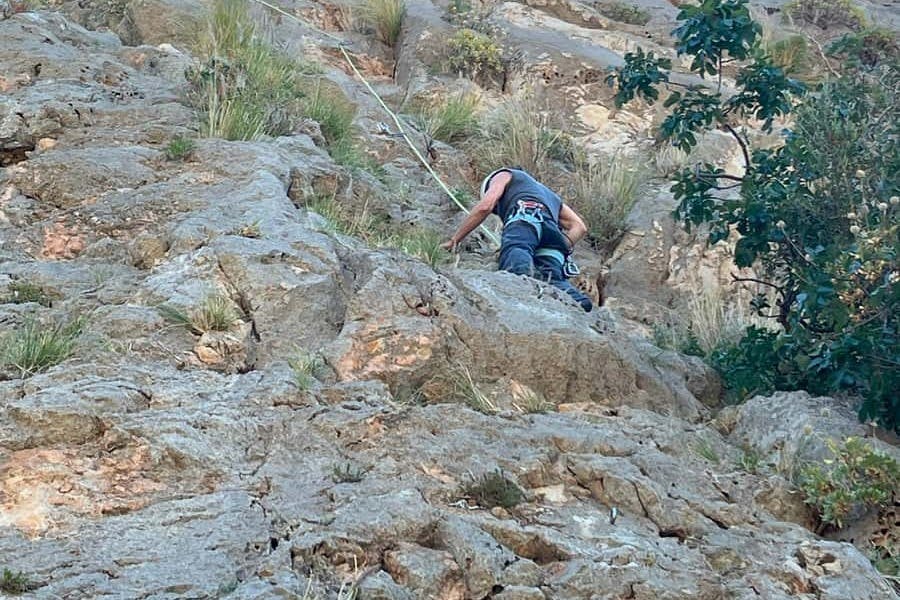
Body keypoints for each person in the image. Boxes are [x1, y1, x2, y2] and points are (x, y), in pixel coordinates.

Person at [443, 167, 593, 312]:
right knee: (554, 281)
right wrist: (556, 245)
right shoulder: (549, 195)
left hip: (523, 221)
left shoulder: (503, 174)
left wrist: (455, 240)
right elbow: (579, 227)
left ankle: (522, 311)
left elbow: (485, 206)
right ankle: (580, 304)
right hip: (553, 234)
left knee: (517, 270)